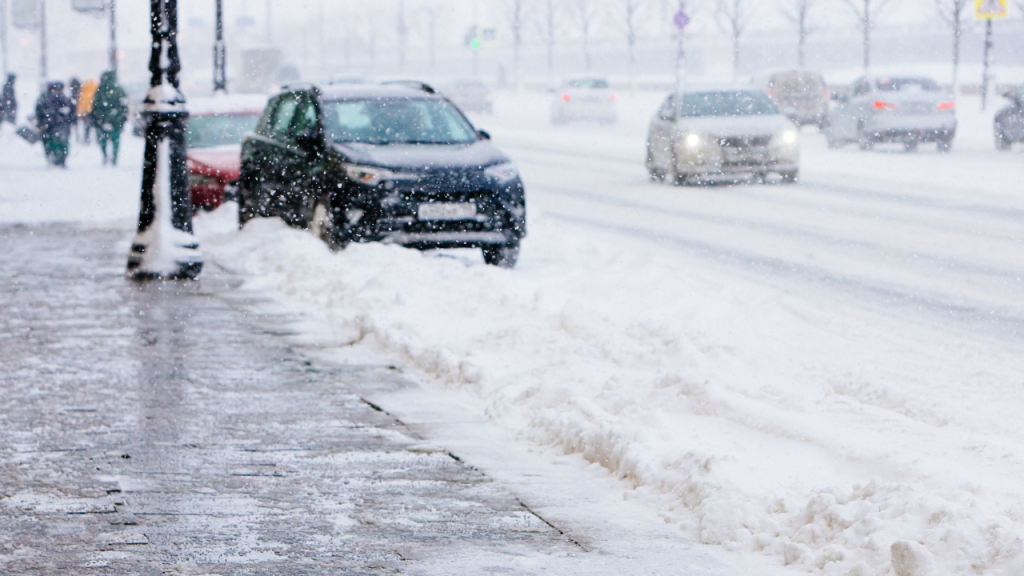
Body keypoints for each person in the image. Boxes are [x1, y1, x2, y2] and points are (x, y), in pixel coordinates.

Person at [91, 71, 128, 166]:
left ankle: (105, 157)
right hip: (116, 120)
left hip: (102, 120)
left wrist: (98, 119)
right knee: (115, 140)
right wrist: (122, 117)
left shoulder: (99, 91)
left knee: (103, 141)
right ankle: (114, 158)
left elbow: (95, 107)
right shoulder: (119, 90)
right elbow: (124, 106)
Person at [35, 82, 75, 167]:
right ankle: (61, 159)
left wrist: (42, 122)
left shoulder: (44, 97)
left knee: (51, 143)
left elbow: (39, 111)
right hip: (61, 125)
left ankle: (53, 158)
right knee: (63, 143)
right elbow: (71, 111)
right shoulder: (64, 97)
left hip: (49, 126)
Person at [77, 78, 99, 144]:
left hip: (86, 112)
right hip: (93, 111)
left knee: (86, 127)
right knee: (96, 125)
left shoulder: (83, 92)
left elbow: (81, 104)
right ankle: (97, 139)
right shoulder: (95, 92)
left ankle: (86, 138)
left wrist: (79, 112)